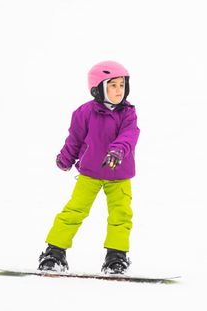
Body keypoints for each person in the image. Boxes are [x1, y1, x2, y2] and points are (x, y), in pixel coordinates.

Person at [38, 60, 140, 274]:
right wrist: (66, 159)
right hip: (90, 173)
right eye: (112, 85)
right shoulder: (84, 112)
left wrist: (117, 151)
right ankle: (54, 252)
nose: (118, 91)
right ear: (98, 88)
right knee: (74, 210)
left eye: (122, 85)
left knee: (121, 215)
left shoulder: (128, 113)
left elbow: (129, 136)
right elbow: (74, 139)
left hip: (119, 174)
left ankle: (116, 257)